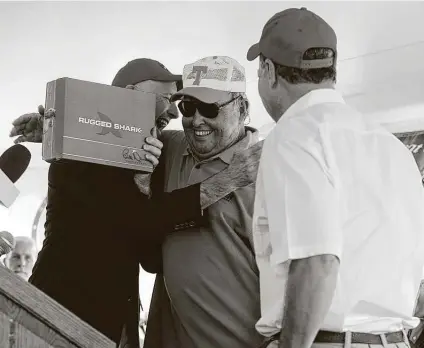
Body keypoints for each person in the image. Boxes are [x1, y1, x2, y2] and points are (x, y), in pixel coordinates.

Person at [9, 58, 260, 347]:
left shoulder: (153, 152)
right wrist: (65, 131)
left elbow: (150, 255)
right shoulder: (76, 159)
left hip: (117, 328)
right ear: (127, 96)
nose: (173, 113)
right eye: (167, 100)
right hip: (58, 320)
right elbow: (136, 222)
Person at [246, 7, 424, 348]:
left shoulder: (295, 134)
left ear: (268, 71)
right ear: (331, 70)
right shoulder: (391, 146)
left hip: (328, 341)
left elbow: (318, 261)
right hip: (395, 341)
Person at [143, 56, 264, 348]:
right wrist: (51, 126)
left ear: (242, 108)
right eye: (188, 107)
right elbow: (105, 133)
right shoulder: (169, 148)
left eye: (209, 108)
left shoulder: (268, 172)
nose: (197, 120)